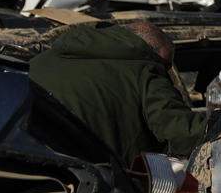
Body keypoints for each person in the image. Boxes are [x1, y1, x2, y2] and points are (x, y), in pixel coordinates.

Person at [27, 20, 210, 166]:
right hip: (86, 177)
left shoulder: (46, 58)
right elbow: (180, 130)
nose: (167, 70)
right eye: (166, 64)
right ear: (152, 51)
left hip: (24, 160)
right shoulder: (144, 69)